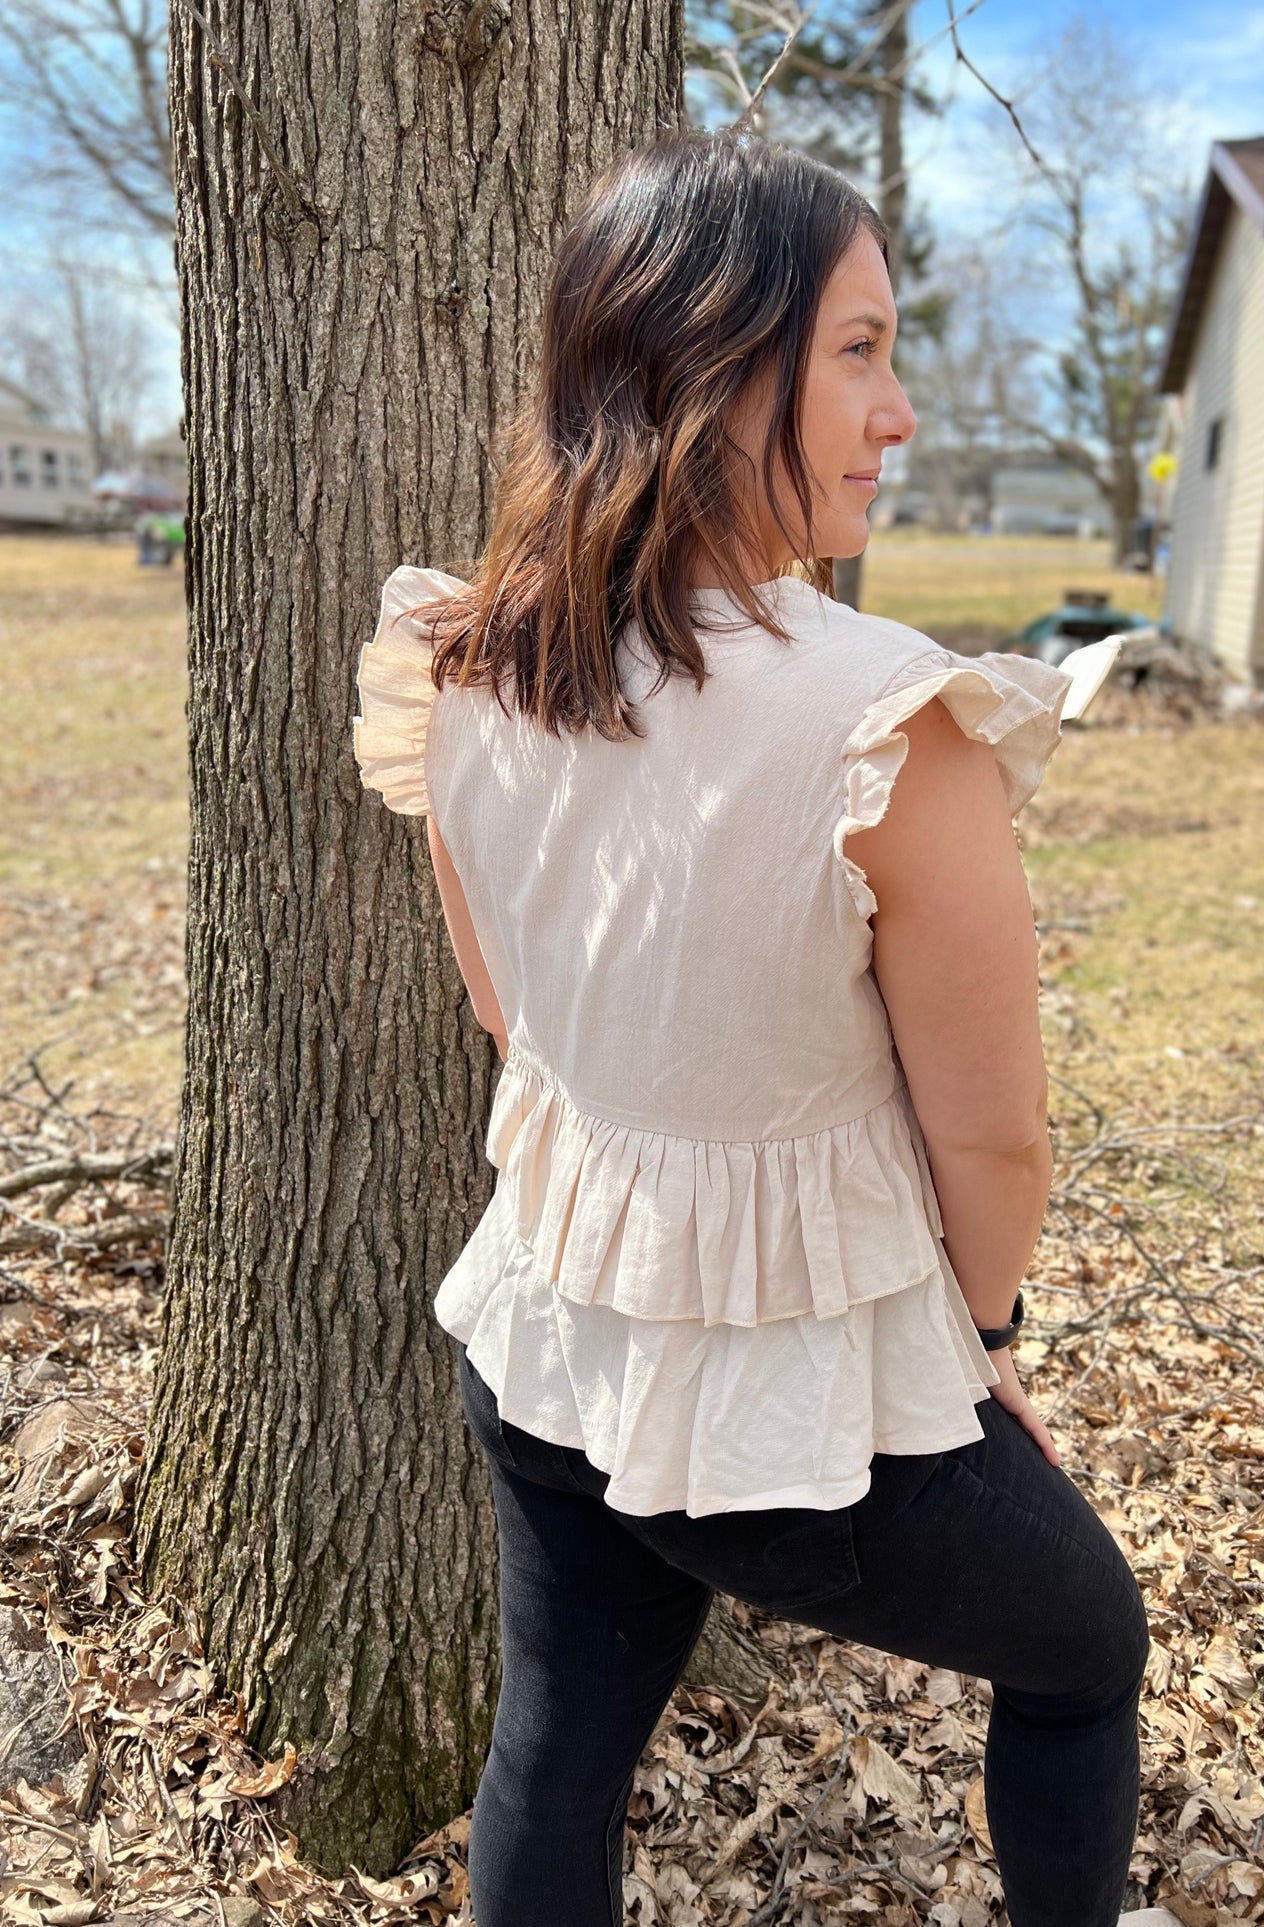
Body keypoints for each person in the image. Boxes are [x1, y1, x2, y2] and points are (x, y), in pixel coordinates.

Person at [352, 129, 1149, 1927]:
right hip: (796, 1409)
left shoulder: (478, 662)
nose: (901, 408)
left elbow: (511, 1016)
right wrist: (990, 1336)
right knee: (1087, 1650)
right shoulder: (887, 724)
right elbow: (994, 1140)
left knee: (554, 1742)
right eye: (859, 348)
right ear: (717, 365)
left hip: (548, 1334)